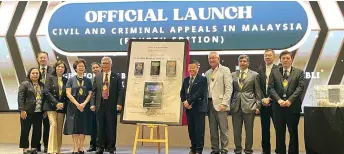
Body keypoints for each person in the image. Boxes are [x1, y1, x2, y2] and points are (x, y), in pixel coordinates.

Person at [268, 50, 305, 154]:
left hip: (293, 108)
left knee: (293, 133)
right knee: (279, 134)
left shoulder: (299, 72)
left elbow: (300, 88)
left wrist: (290, 100)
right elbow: (270, 88)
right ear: (280, 60)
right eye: (283, 58)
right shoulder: (274, 72)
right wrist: (279, 100)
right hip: (278, 108)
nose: (285, 60)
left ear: (291, 60)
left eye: (287, 58)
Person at [18, 67, 57, 154]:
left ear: (39, 75)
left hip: (39, 112)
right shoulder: (24, 84)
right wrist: (22, 110)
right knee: (25, 130)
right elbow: (20, 98)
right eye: (33, 73)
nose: (35, 75)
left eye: (37, 73)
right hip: (27, 112)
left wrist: (46, 109)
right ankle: (25, 148)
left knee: (37, 130)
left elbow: (46, 97)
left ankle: (34, 147)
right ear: (29, 74)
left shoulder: (42, 85)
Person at [90, 57, 123, 154]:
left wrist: (119, 103)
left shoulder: (116, 76)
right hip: (100, 105)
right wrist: (92, 104)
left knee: (111, 126)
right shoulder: (97, 77)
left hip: (112, 105)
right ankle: (100, 147)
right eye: (103, 63)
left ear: (111, 64)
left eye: (107, 63)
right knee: (100, 127)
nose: (105, 65)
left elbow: (120, 91)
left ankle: (111, 147)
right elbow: (94, 92)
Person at [231, 55, 261, 154]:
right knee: (236, 131)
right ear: (238, 63)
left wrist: (258, 105)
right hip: (236, 106)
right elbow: (231, 91)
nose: (243, 63)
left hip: (249, 106)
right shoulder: (233, 75)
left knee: (249, 131)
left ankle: (248, 150)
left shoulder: (255, 75)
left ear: (248, 63)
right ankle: (238, 150)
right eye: (241, 61)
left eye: (245, 61)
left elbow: (258, 92)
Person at [205, 52, 233, 154]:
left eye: (213, 58)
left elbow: (229, 88)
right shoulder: (208, 73)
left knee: (223, 129)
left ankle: (224, 149)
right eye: (210, 59)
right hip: (210, 103)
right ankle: (215, 149)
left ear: (218, 59)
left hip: (221, 104)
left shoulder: (225, 70)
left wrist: (225, 103)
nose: (211, 60)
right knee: (213, 130)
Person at [64, 59, 93, 154]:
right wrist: (77, 104)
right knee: (74, 127)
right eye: (79, 66)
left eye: (82, 66)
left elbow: (90, 94)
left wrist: (84, 104)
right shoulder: (71, 80)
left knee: (83, 126)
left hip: (84, 106)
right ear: (75, 68)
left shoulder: (88, 80)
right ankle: (75, 147)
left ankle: (81, 146)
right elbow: (68, 93)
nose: (81, 68)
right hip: (73, 106)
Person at [180, 60, 208, 154]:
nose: (191, 69)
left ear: (198, 68)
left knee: (199, 130)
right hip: (189, 109)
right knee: (191, 130)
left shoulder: (202, 79)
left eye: (193, 67)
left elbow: (200, 93)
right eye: (190, 67)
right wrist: (184, 102)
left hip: (199, 108)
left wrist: (189, 101)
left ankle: (199, 150)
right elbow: (182, 93)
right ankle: (193, 148)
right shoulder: (186, 80)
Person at [43, 60, 68, 154]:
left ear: (65, 69)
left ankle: (57, 149)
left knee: (59, 128)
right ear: (55, 68)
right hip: (51, 106)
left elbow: (67, 94)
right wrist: (56, 103)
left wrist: (62, 104)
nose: (60, 69)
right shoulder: (50, 78)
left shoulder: (66, 80)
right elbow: (46, 92)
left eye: (62, 67)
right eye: (58, 67)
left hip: (61, 107)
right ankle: (51, 150)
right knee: (53, 125)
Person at [257, 49, 279, 154]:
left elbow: (279, 87)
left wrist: (270, 98)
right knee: (265, 130)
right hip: (263, 105)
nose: (267, 57)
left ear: (274, 57)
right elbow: (258, 88)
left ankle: (279, 150)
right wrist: (262, 99)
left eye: (269, 55)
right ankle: (265, 151)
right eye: (265, 56)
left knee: (278, 129)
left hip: (275, 104)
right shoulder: (260, 70)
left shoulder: (279, 69)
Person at [37, 51, 54, 153]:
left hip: (48, 103)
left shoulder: (53, 71)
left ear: (48, 59)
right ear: (38, 59)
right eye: (41, 58)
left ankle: (47, 145)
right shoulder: (34, 71)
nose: (43, 59)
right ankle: (36, 145)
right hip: (36, 104)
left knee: (47, 126)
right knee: (37, 126)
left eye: (45, 58)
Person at [87, 62, 102, 152]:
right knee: (93, 127)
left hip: (102, 107)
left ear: (100, 68)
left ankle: (103, 145)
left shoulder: (104, 79)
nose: (95, 69)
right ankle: (93, 145)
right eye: (93, 68)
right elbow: (91, 94)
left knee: (101, 127)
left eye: (97, 67)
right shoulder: (90, 80)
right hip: (92, 107)